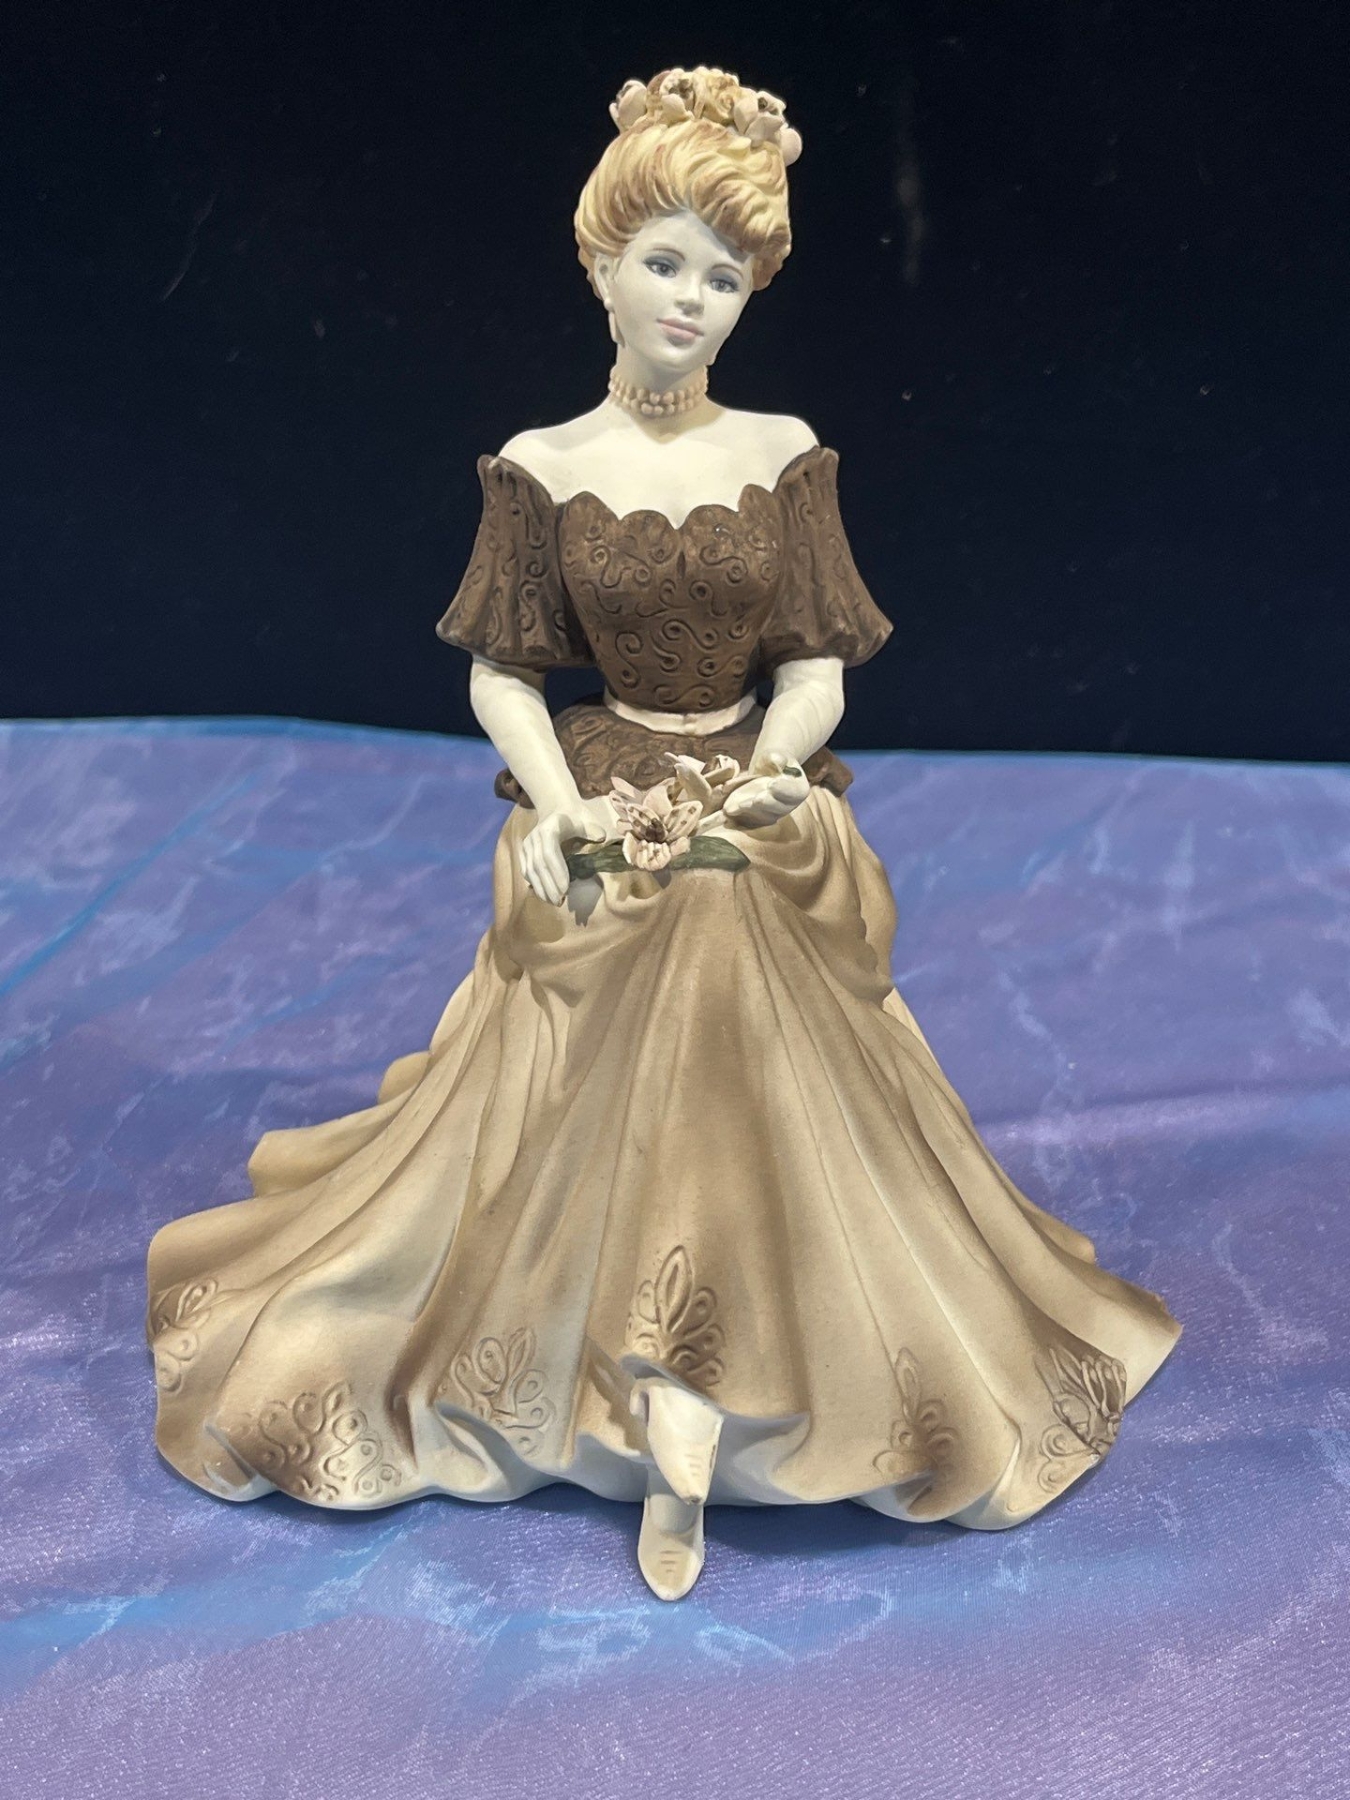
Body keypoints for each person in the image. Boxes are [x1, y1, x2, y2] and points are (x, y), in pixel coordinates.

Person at [146, 65, 1182, 1602]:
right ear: (600, 265)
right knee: (659, 925)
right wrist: (559, 809)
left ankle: (694, 1391)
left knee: (727, 916)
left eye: (725, 275)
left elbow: (815, 671)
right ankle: (657, 1398)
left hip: (752, 798)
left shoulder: (783, 451)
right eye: (665, 262)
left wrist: (772, 772)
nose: (693, 300)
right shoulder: (543, 466)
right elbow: (503, 676)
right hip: (601, 792)